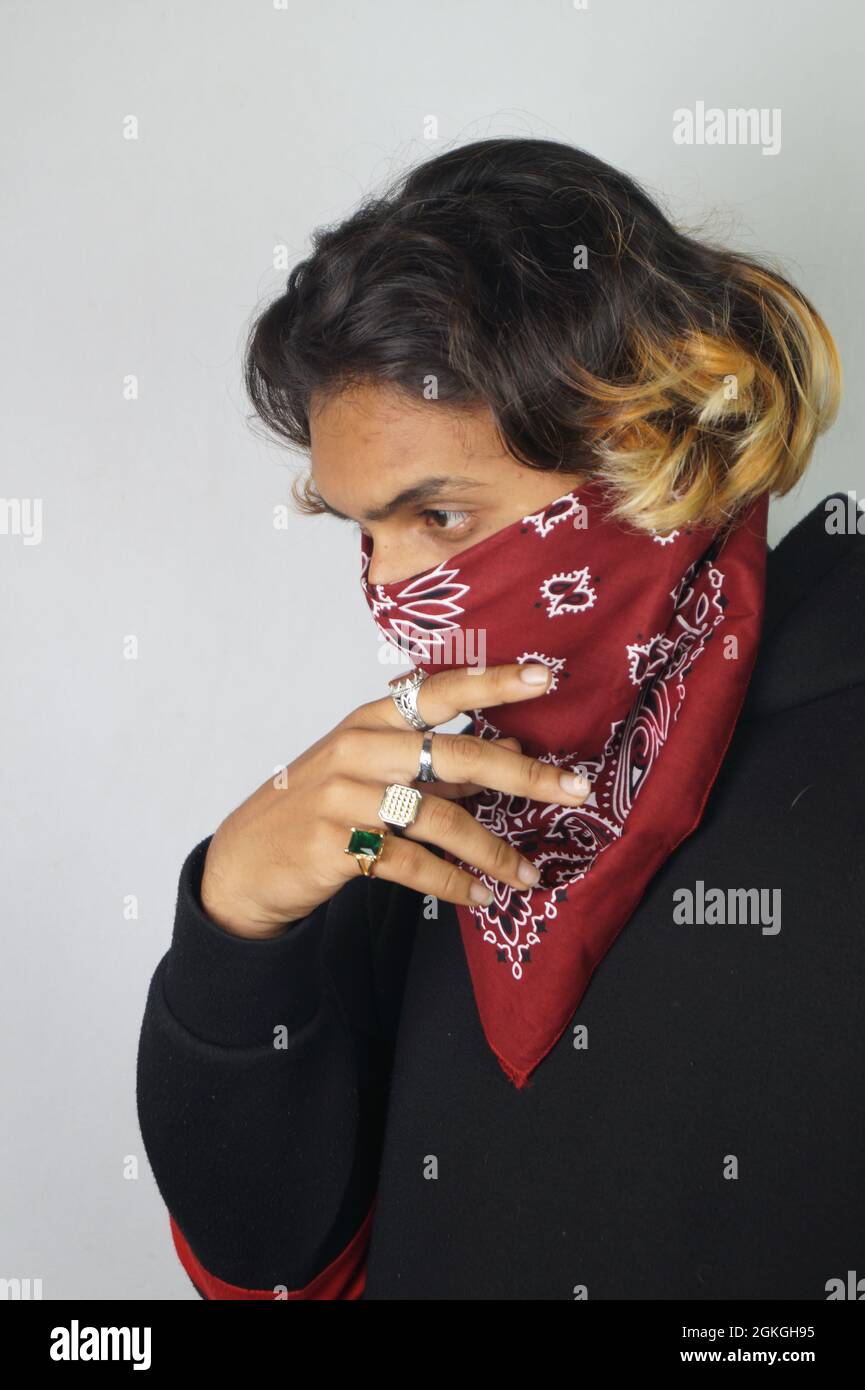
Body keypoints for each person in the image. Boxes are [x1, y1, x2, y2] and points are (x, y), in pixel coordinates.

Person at [136, 138, 864, 1300]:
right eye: (361, 531)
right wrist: (234, 929)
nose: (391, 589)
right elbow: (274, 1265)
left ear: (648, 447)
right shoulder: (413, 812)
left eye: (438, 514)